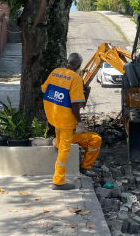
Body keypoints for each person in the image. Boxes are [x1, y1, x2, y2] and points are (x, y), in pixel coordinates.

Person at [41, 53, 102, 190]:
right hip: (67, 122)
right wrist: (79, 122)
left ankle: (57, 142)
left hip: (53, 117)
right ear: (79, 65)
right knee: (66, 149)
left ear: (68, 62)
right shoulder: (75, 78)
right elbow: (75, 103)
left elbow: (44, 89)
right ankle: (58, 181)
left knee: (59, 136)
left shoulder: (56, 72)